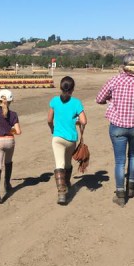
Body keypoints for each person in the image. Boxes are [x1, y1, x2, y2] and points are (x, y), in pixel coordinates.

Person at [96, 54, 134, 206]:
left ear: (123, 66)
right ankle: (131, 186)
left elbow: (99, 99)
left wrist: (111, 100)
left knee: (119, 161)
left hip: (117, 126)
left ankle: (120, 193)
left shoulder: (114, 81)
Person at [47, 76, 87, 205]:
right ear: (73, 89)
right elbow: (84, 121)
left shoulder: (54, 101)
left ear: (60, 87)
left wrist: (52, 128)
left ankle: (61, 193)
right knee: (68, 163)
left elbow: (49, 119)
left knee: (59, 164)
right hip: (71, 139)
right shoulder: (76, 102)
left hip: (57, 138)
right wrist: (77, 123)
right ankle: (68, 183)